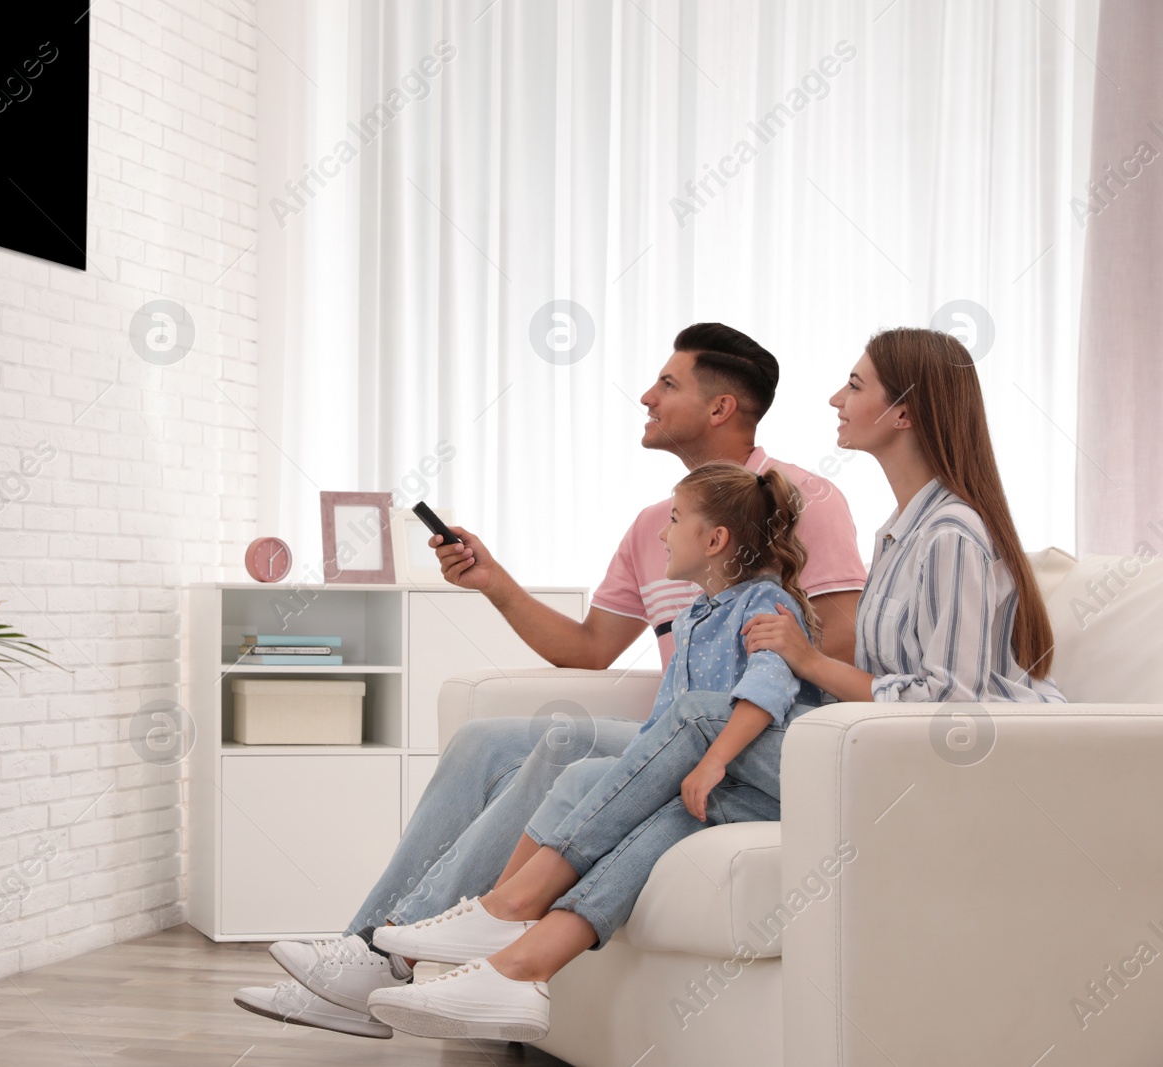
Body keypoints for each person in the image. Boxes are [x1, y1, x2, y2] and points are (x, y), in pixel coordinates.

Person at [361, 326, 1065, 1041]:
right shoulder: (901, 531)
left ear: (907, 412)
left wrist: (805, 664)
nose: (834, 398)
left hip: (912, 772)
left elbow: (954, 707)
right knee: (677, 804)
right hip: (857, 751)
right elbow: (592, 647)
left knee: (699, 720)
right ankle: (518, 971)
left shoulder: (946, 534)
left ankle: (504, 908)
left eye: (854, 385)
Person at [234, 323, 867, 1038]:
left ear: (721, 407)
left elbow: (834, 641)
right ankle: (361, 952)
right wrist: (492, 579)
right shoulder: (658, 525)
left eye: (667, 383)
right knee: (482, 740)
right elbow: (591, 647)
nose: (646, 396)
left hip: (745, 737)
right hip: (670, 733)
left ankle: (386, 952)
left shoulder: (804, 499)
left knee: (566, 742)